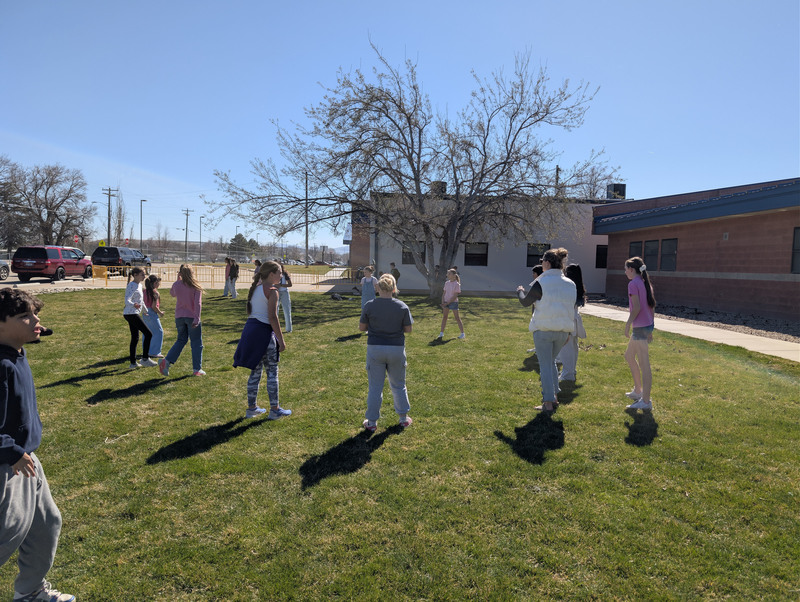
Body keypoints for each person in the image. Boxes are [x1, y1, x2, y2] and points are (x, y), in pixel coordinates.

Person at [0, 288, 75, 602]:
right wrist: (11, 452)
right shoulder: (1, 366)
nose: (36, 320)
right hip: (7, 466)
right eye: (24, 317)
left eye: (34, 314)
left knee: (46, 525)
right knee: (7, 534)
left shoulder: (17, 354)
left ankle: (30, 592)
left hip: (27, 460)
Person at [516, 248, 576, 412]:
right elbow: (571, 309)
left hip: (543, 330)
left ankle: (548, 402)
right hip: (563, 331)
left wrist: (520, 291)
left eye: (542, 261)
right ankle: (554, 396)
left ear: (547, 263)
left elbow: (525, 302)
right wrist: (570, 332)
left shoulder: (541, 282)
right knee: (551, 362)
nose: (541, 264)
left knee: (545, 365)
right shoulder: (570, 284)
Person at [233, 261, 292, 420]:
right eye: (279, 272)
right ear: (271, 274)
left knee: (255, 371)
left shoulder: (256, 289)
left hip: (250, 332)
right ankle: (275, 409)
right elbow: (272, 317)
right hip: (264, 334)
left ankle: (251, 408)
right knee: (272, 372)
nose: (281, 275)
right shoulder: (272, 291)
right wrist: (281, 340)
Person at [359, 273, 413, 431]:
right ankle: (403, 418)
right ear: (394, 288)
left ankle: (372, 422)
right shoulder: (402, 306)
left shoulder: (369, 305)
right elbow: (408, 330)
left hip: (375, 349)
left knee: (375, 387)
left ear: (378, 288)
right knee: (399, 385)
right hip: (396, 349)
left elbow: (362, 328)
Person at [623, 256, 656, 411]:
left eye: (626, 269)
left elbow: (636, 308)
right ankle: (638, 391)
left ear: (631, 269)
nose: (625, 272)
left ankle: (646, 401)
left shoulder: (633, 284)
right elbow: (652, 307)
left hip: (640, 328)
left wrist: (627, 324)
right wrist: (651, 328)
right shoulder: (645, 283)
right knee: (629, 356)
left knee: (645, 365)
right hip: (646, 326)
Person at [159, 265, 205, 377]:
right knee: (196, 343)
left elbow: (172, 293)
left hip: (179, 317)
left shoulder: (177, 285)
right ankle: (197, 369)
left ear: (180, 273)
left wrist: (177, 281)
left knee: (181, 340)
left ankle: (167, 361)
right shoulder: (195, 286)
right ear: (191, 273)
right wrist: (197, 319)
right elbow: (198, 304)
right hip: (191, 317)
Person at [555, 264, 587, 382]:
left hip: (568, 319)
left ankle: (568, 374)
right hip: (574, 319)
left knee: (566, 348)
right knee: (573, 347)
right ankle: (571, 371)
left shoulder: (569, 287)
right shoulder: (579, 287)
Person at [123, 267, 157, 369]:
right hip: (131, 314)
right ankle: (145, 359)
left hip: (133, 313)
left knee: (135, 338)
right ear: (136, 275)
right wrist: (134, 305)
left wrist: (145, 311)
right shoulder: (131, 285)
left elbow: (141, 301)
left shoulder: (139, 285)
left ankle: (133, 363)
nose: (144, 276)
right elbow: (127, 300)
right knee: (148, 334)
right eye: (142, 274)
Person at [142, 274, 165, 358]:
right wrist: (160, 312)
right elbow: (154, 306)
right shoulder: (155, 293)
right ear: (155, 283)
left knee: (147, 332)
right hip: (151, 313)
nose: (159, 284)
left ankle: (146, 350)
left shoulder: (144, 291)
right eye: (159, 283)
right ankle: (154, 352)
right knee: (159, 332)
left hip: (144, 313)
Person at [438, 268, 465, 339]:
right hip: (446, 302)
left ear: (454, 275)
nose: (447, 275)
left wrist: (447, 303)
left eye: (449, 273)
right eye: (447, 273)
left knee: (457, 318)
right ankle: (441, 333)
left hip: (453, 303)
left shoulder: (457, 284)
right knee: (444, 317)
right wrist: (443, 302)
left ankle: (462, 334)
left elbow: (455, 296)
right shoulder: (447, 283)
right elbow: (444, 293)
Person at [277, 263, 293, 333]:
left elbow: (290, 284)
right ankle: (275, 329)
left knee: (287, 310)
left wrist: (281, 285)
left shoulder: (285, 274)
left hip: (284, 293)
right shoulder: (274, 274)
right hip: (276, 292)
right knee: (275, 311)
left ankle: (289, 329)